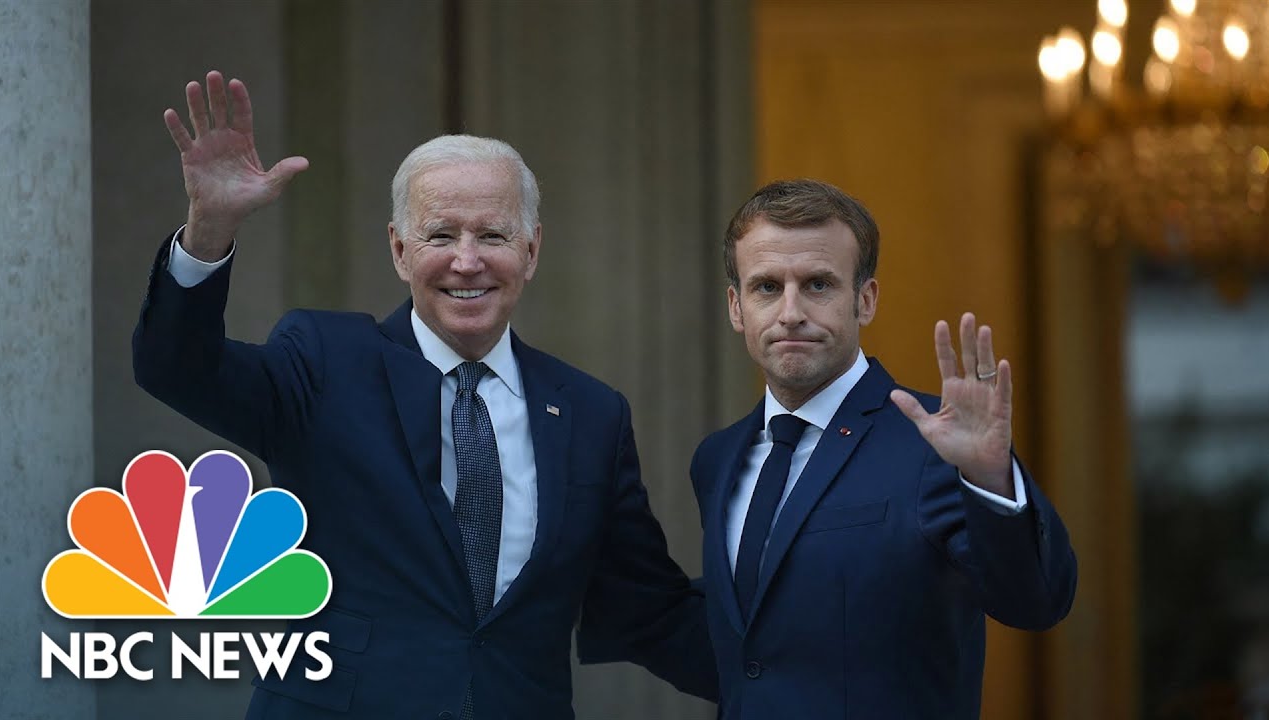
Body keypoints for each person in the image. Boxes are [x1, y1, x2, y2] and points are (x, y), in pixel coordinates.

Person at [133, 71, 716, 719]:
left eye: (492, 236)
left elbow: (646, 610)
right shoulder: (327, 361)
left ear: (532, 250)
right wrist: (209, 230)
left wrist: (812, 666)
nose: (466, 261)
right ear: (399, 249)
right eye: (441, 236)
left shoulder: (590, 413)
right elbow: (177, 369)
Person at [689, 179, 1078, 719]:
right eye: (767, 287)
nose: (791, 311)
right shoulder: (717, 459)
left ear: (865, 299)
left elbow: (1037, 600)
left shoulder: (936, 443)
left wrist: (990, 478)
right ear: (737, 307)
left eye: (819, 285)